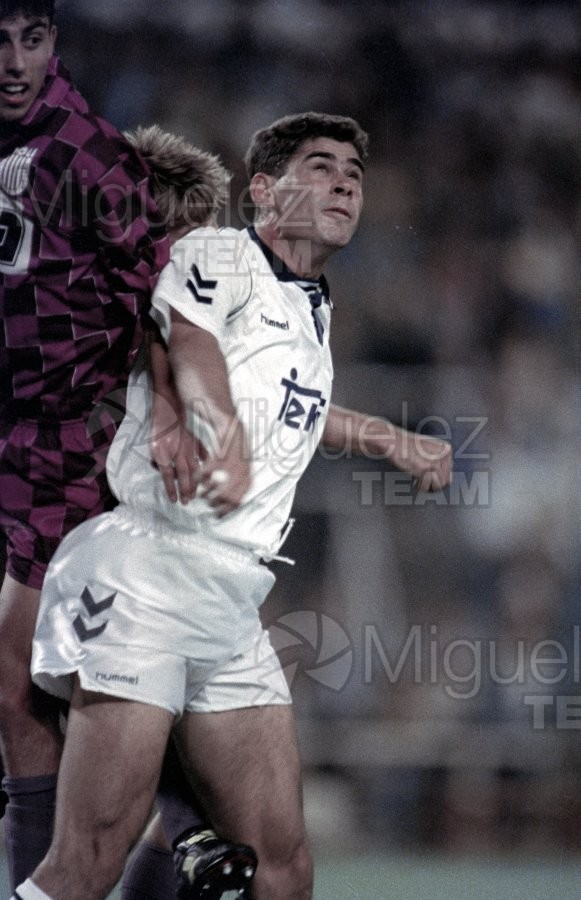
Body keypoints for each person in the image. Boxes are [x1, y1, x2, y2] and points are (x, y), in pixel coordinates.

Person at [13, 111, 452, 900]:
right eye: (318, 166)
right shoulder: (219, 253)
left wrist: (388, 438)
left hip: (229, 597)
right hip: (147, 571)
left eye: (352, 171)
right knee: (85, 865)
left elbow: (296, 413)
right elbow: (193, 344)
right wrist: (214, 427)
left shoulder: (312, 306)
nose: (344, 180)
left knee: (281, 869)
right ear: (261, 190)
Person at [0, 3, 252, 898]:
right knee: (34, 703)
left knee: (84, 697)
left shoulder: (89, 161)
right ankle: (180, 840)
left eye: (32, 37)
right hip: (41, 472)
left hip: (106, 484)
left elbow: (168, 301)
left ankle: (182, 839)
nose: (15, 59)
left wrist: (177, 415)